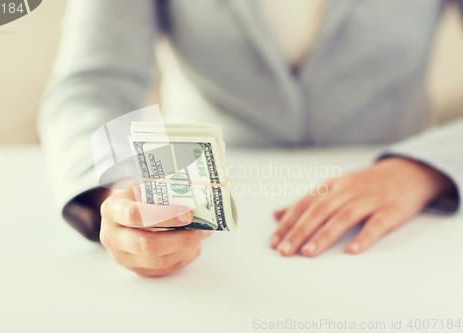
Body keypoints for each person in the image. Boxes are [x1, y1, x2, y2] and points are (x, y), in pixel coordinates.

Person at [39, 0, 462, 277]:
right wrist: (116, 192)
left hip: (408, 225)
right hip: (208, 242)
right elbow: (93, 84)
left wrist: (427, 170)